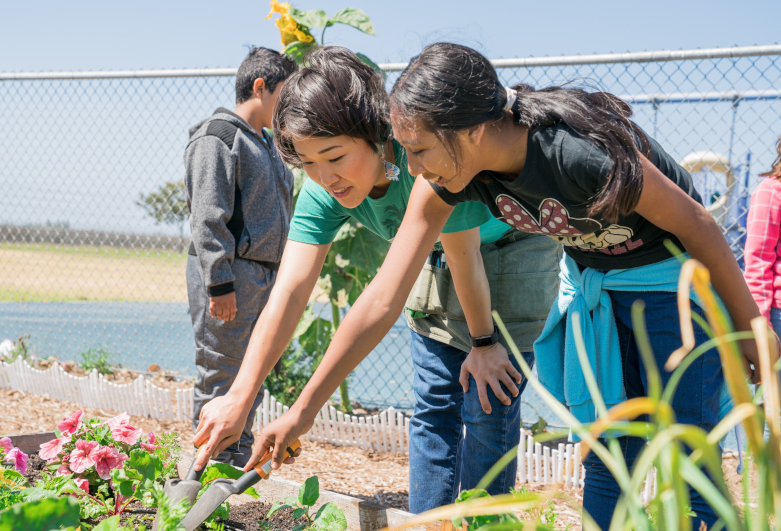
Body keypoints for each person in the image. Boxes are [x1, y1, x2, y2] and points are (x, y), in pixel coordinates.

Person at [249, 43, 774, 530]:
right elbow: (384, 297)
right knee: (609, 452)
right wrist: (301, 412)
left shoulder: (575, 154)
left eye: (420, 150)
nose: (411, 168)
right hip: (598, 288)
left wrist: (751, 327)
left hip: (672, 287)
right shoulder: (449, 176)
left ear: (472, 131)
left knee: (690, 464)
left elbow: (698, 225)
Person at [190, 47, 561, 510]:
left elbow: (390, 296)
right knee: (433, 402)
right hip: (435, 245)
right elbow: (289, 291)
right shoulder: (324, 188)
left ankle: (483, 520)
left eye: (334, 156)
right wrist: (239, 397)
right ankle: (427, 521)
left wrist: (484, 344)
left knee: (486, 400)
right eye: (307, 163)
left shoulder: (425, 161)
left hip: (505, 245)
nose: (325, 177)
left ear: (374, 132)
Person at [185, 46, 297, 468]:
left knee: (252, 375)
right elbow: (208, 216)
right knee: (220, 373)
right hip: (232, 276)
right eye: (285, 94)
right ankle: (206, 468)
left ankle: (234, 460)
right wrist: (220, 282)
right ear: (259, 87)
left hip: (265, 276)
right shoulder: (219, 136)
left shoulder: (267, 143)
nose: (290, 105)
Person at [744, 136, 781, 438]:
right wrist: (761, 325)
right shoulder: (771, 191)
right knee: (775, 405)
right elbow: (757, 260)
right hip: (778, 314)